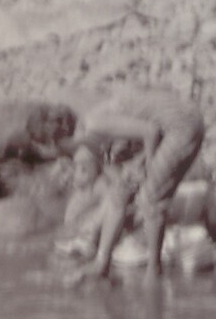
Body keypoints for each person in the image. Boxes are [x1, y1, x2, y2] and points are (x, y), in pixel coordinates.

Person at [75, 87, 205, 287]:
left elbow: (150, 132)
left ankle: (154, 272)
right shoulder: (102, 141)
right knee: (120, 192)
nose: (79, 177)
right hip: (164, 124)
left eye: (83, 170)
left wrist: (150, 166)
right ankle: (102, 264)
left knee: (151, 199)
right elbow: (118, 193)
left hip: (182, 124)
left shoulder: (94, 124)